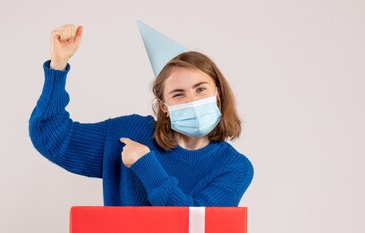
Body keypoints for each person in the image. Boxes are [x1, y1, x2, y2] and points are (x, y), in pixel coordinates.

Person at [28, 22, 254, 206]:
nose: (192, 101)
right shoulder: (130, 134)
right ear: (164, 106)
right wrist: (58, 66)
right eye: (178, 94)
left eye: (201, 89)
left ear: (218, 93)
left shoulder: (234, 167)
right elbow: (51, 137)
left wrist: (145, 164)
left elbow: (191, 226)